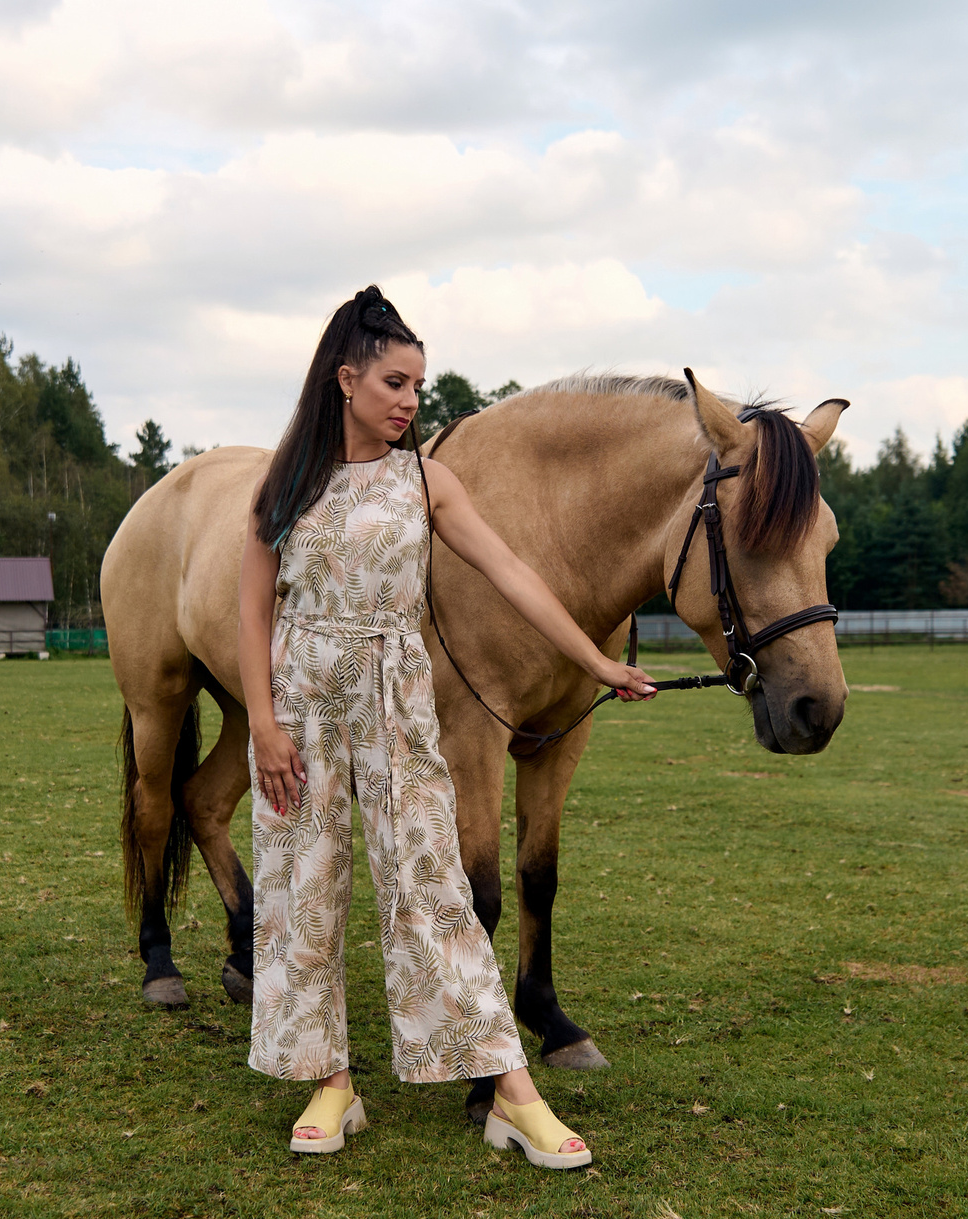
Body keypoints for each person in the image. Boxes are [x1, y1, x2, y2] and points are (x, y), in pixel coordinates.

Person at [237, 286, 656, 1169]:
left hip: (395, 695)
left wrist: (596, 660)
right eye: (394, 383)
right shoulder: (286, 484)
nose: (410, 402)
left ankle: (512, 1091)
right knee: (301, 891)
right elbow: (251, 613)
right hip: (300, 701)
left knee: (434, 886)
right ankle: (330, 1082)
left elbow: (512, 572)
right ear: (345, 379)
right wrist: (265, 726)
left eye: (418, 386)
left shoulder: (426, 480)